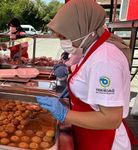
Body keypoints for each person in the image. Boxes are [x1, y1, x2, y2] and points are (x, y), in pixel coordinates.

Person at [36, 0, 137, 149]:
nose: (63, 41)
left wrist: (64, 114)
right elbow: (87, 72)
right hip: (88, 133)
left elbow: (111, 119)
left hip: (105, 141)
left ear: (83, 29)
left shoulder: (105, 59)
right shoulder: (93, 50)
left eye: (65, 37)